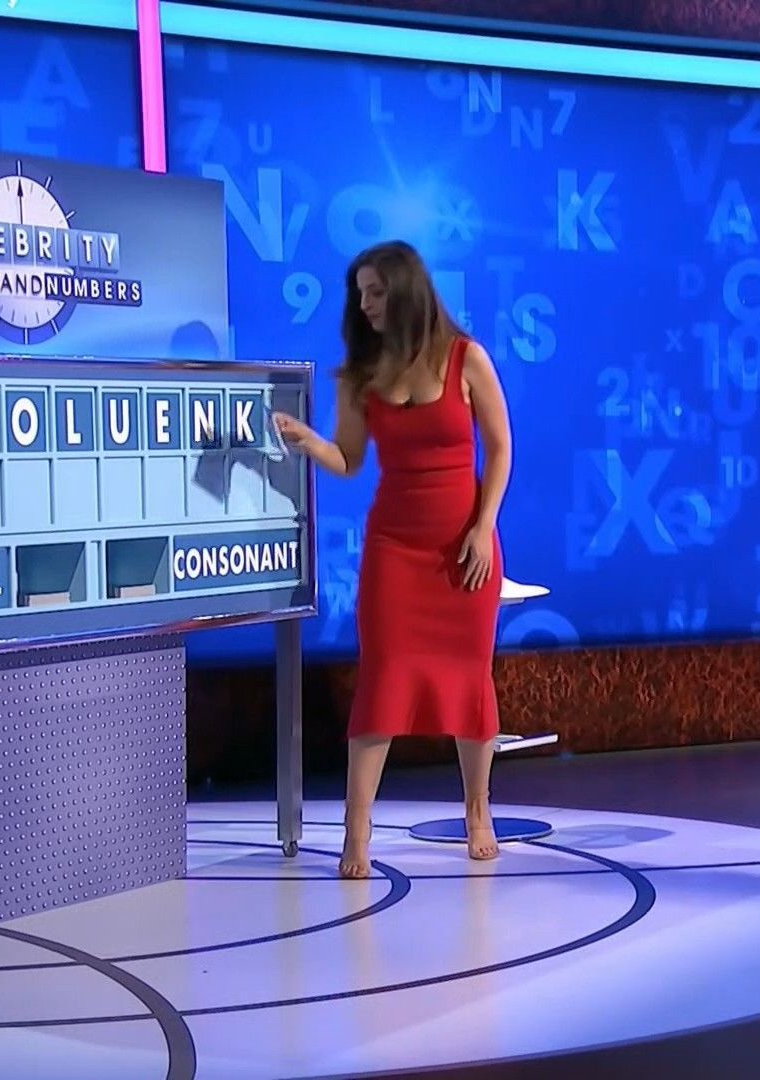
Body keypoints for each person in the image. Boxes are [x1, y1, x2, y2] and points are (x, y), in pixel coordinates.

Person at [272, 240, 512, 877]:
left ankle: (478, 811)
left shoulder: (466, 358)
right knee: (383, 679)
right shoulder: (362, 375)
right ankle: (357, 831)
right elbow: (350, 461)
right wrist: (309, 442)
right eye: (360, 295)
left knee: (469, 678)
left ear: (405, 291)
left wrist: (484, 526)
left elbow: (500, 447)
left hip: (463, 549)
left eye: (375, 293)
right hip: (395, 551)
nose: (365, 305)